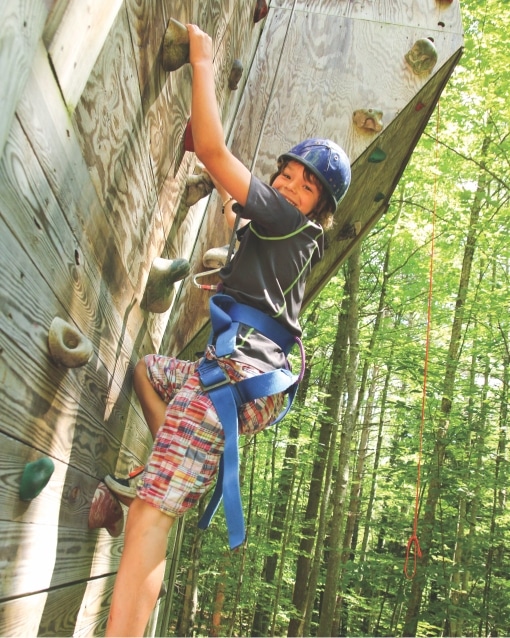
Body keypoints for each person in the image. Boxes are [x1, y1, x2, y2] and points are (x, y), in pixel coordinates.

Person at [105, 23, 351, 636]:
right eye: (287, 172)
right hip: (242, 373)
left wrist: (203, 61)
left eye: (306, 183)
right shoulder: (290, 231)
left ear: (318, 204)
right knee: (148, 372)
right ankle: (174, 460)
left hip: (235, 378)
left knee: (147, 519)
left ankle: (167, 480)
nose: (290, 183)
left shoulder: (283, 217)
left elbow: (215, 153)